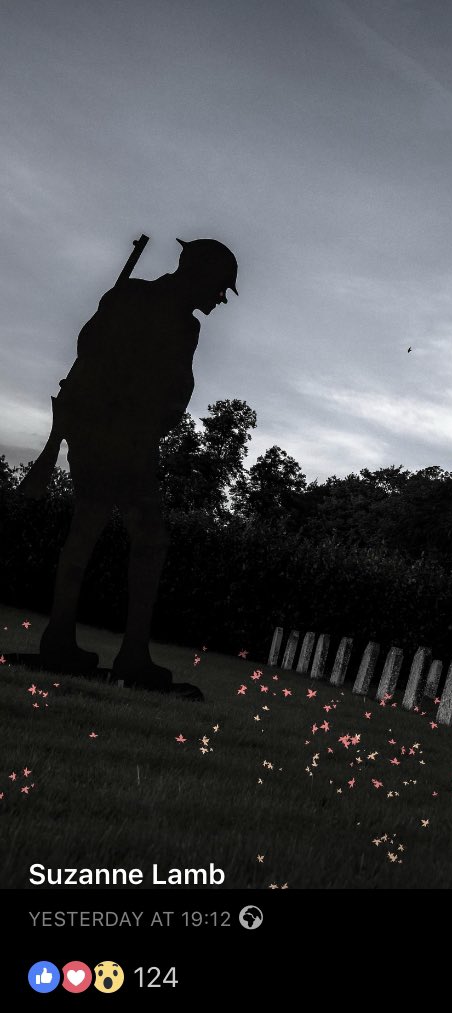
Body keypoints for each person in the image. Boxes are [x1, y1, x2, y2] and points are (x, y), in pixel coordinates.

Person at [38, 238, 238, 700]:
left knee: (104, 531)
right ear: (199, 273)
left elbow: (176, 386)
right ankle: (88, 645)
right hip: (108, 435)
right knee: (118, 533)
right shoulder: (135, 299)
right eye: (219, 286)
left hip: (136, 440)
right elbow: (90, 349)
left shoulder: (178, 322)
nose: (220, 298)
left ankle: (90, 644)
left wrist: (156, 418)